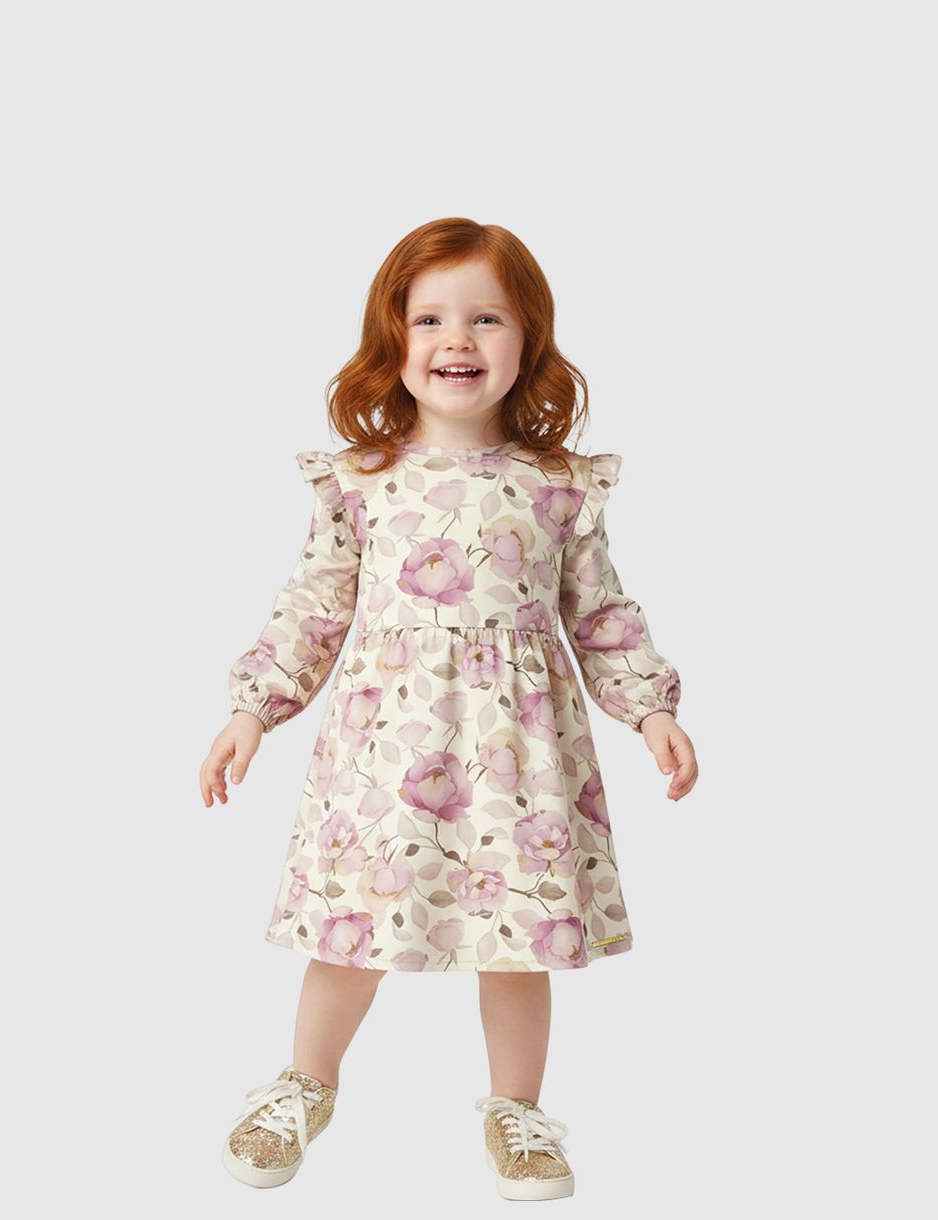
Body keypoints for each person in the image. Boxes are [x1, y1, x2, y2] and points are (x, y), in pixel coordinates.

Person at [199, 217, 698, 1201]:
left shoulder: (557, 486)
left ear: (528, 338)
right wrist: (253, 708)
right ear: (392, 338)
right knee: (350, 929)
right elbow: (314, 607)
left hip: (520, 759)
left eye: (486, 318)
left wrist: (650, 710)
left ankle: (518, 1109)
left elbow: (599, 612)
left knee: (517, 939)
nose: (456, 340)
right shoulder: (360, 480)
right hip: (385, 754)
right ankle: (305, 1083)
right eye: (428, 318)